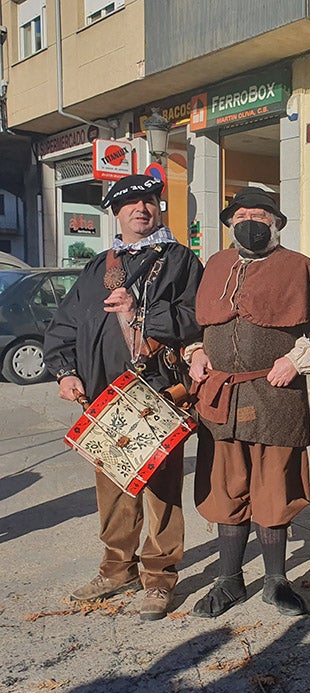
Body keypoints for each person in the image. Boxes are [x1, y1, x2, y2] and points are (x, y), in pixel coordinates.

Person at [44, 174, 202, 621]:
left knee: (161, 489)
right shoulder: (99, 266)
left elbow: (196, 318)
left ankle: (159, 576)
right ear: (116, 212)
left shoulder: (180, 260)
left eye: (150, 200)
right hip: (102, 396)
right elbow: (67, 323)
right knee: (113, 488)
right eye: (132, 203)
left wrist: (141, 314)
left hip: (157, 391)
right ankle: (117, 569)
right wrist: (65, 371)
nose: (142, 208)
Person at [186, 187, 310, 618]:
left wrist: (295, 360)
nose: (249, 221)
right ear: (230, 223)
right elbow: (198, 327)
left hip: (276, 397)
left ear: (276, 222)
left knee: (273, 490)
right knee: (227, 487)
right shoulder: (215, 264)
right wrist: (194, 352)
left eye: (260, 214)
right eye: (241, 215)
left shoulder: (299, 266)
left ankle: (276, 582)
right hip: (221, 398)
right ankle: (229, 581)